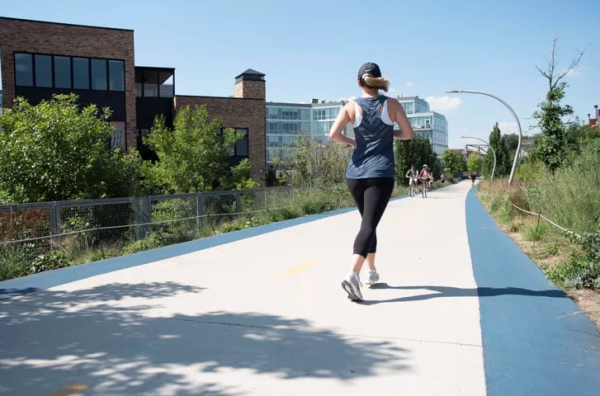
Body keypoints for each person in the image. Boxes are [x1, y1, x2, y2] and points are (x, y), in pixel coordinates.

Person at [329, 62, 414, 302]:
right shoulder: (392, 105)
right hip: (380, 174)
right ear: (379, 81)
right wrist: (389, 133)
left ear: (359, 82)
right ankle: (353, 274)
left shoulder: (350, 106)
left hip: (354, 175)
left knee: (369, 223)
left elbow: (333, 135)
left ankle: (371, 272)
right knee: (368, 224)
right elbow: (408, 134)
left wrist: (353, 142)